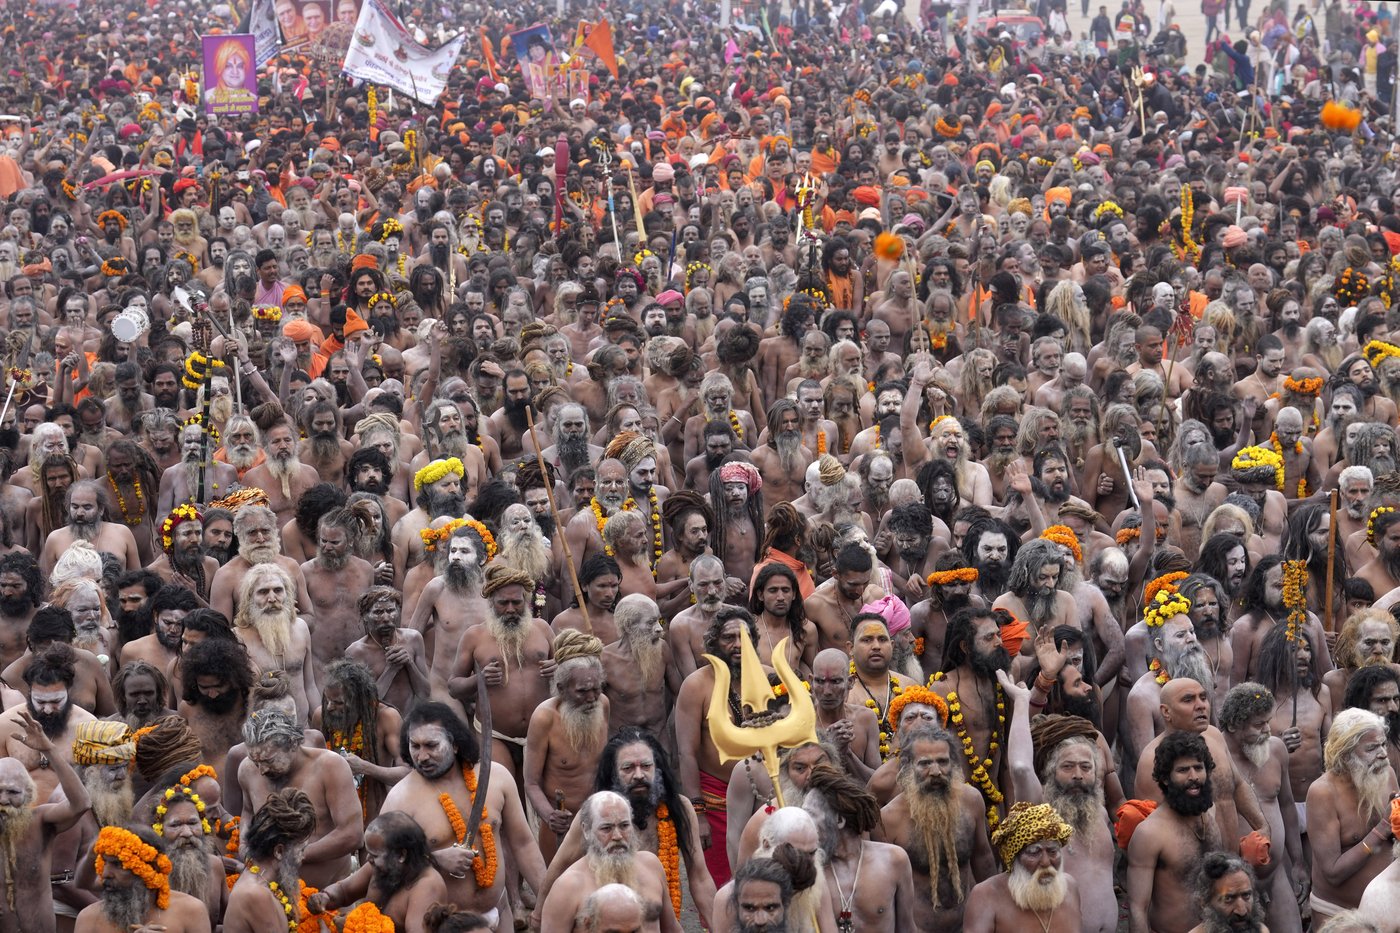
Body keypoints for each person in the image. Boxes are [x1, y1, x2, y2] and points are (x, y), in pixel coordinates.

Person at [381, 702, 545, 929]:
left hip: (498, 911)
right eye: (414, 746)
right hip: (443, 923)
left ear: (455, 744)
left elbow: (523, 844)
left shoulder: (496, 777)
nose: (422, 756)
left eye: (431, 745)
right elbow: (381, 865)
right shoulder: (400, 799)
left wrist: (546, 900)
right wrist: (434, 859)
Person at [539, 790, 682, 933]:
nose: (617, 836)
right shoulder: (568, 886)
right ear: (586, 830)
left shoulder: (651, 865)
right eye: (606, 828)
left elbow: (672, 928)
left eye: (624, 826)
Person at [963, 801, 1081, 932]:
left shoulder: (1070, 888)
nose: (1046, 862)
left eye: (1053, 851)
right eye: (1034, 852)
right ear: (1014, 858)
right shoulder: (986, 896)